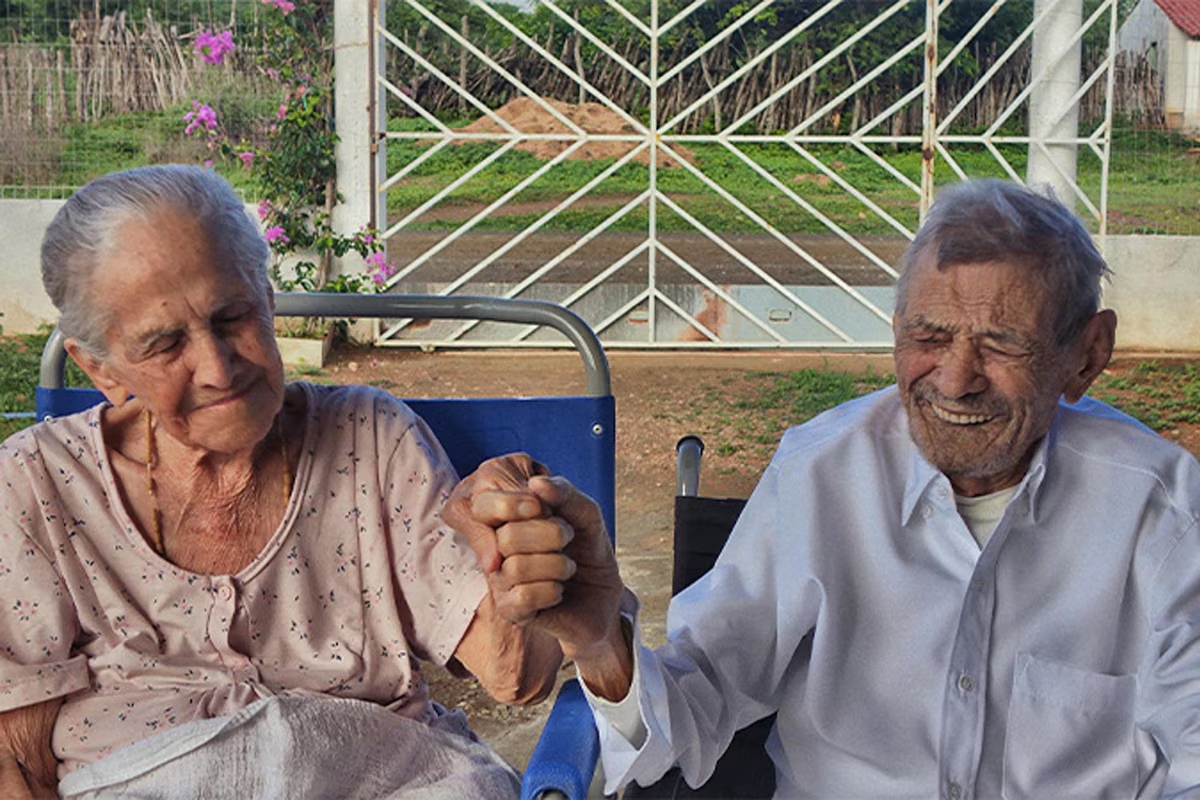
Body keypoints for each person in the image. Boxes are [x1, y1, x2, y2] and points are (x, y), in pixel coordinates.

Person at [448, 179, 1200, 797]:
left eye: (1002, 344)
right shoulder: (821, 472)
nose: (956, 378)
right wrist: (595, 637)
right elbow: (695, 708)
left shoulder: (1162, 509)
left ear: (1086, 355)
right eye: (929, 336)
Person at [0, 164, 563, 799]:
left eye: (232, 315)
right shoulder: (37, 484)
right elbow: (14, 761)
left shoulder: (372, 438)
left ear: (267, 300)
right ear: (100, 368)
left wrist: (516, 561)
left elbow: (514, 673)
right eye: (164, 344)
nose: (217, 368)